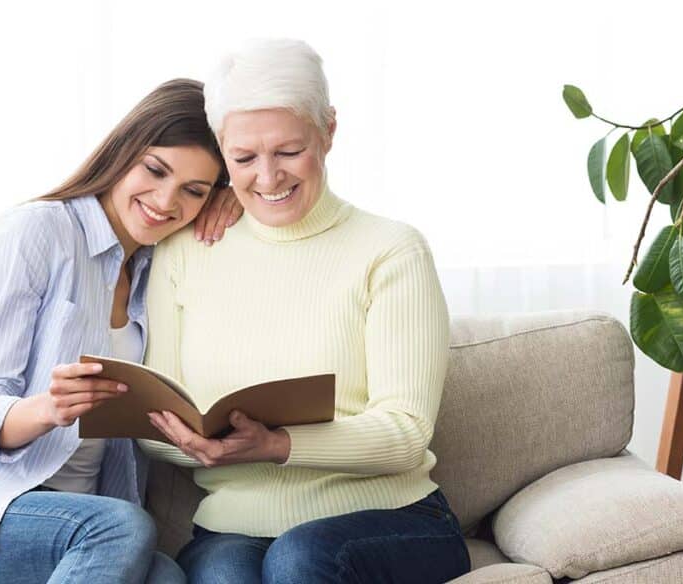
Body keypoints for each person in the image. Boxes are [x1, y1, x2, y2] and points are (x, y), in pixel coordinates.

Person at [0, 78, 242, 584]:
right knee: (121, 529)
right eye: (155, 170)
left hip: (78, 523)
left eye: (194, 191)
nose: (165, 200)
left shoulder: (162, 266)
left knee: (167, 577)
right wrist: (46, 408)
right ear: (122, 151)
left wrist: (237, 201)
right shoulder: (35, 233)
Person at [140, 41, 471, 583]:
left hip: (389, 519)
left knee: (300, 558)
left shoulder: (391, 250)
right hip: (231, 529)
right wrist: (192, 442)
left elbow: (407, 431)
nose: (268, 178)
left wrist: (278, 445)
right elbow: (154, 422)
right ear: (222, 151)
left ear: (329, 131)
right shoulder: (183, 252)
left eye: (288, 151)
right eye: (244, 158)